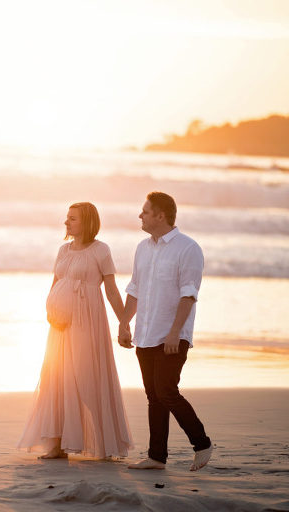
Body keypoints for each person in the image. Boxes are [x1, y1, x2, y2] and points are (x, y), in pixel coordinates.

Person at [18, 202, 133, 459]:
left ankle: (104, 444)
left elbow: (112, 290)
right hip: (59, 326)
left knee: (87, 377)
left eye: (72, 219)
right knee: (57, 378)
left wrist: (124, 323)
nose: (66, 222)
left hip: (87, 322)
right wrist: (50, 311)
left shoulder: (101, 250)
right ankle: (57, 444)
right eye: (67, 218)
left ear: (87, 222)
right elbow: (56, 283)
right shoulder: (63, 250)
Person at [118, 191, 213, 471]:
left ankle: (202, 443)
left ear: (161, 215)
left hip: (172, 335)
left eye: (145, 211)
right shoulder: (142, 248)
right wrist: (125, 323)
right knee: (153, 396)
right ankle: (157, 457)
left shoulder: (188, 248)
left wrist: (175, 332)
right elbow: (135, 290)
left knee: (166, 391)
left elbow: (189, 295)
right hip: (145, 333)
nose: (140, 216)